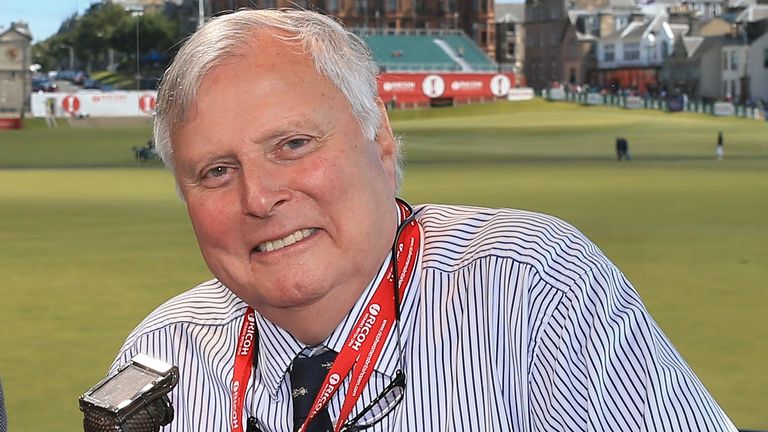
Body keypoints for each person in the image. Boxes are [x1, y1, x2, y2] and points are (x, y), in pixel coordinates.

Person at [109, 9, 737, 432]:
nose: (259, 197)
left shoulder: (535, 292)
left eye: (293, 144)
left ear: (379, 141)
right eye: (216, 171)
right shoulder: (159, 354)